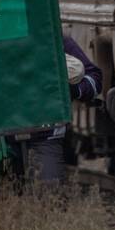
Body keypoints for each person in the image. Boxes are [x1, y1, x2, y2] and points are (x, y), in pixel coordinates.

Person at [20, 34, 103, 185]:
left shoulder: (55, 38)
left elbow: (95, 79)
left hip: (45, 134)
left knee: (51, 193)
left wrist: (74, 89)